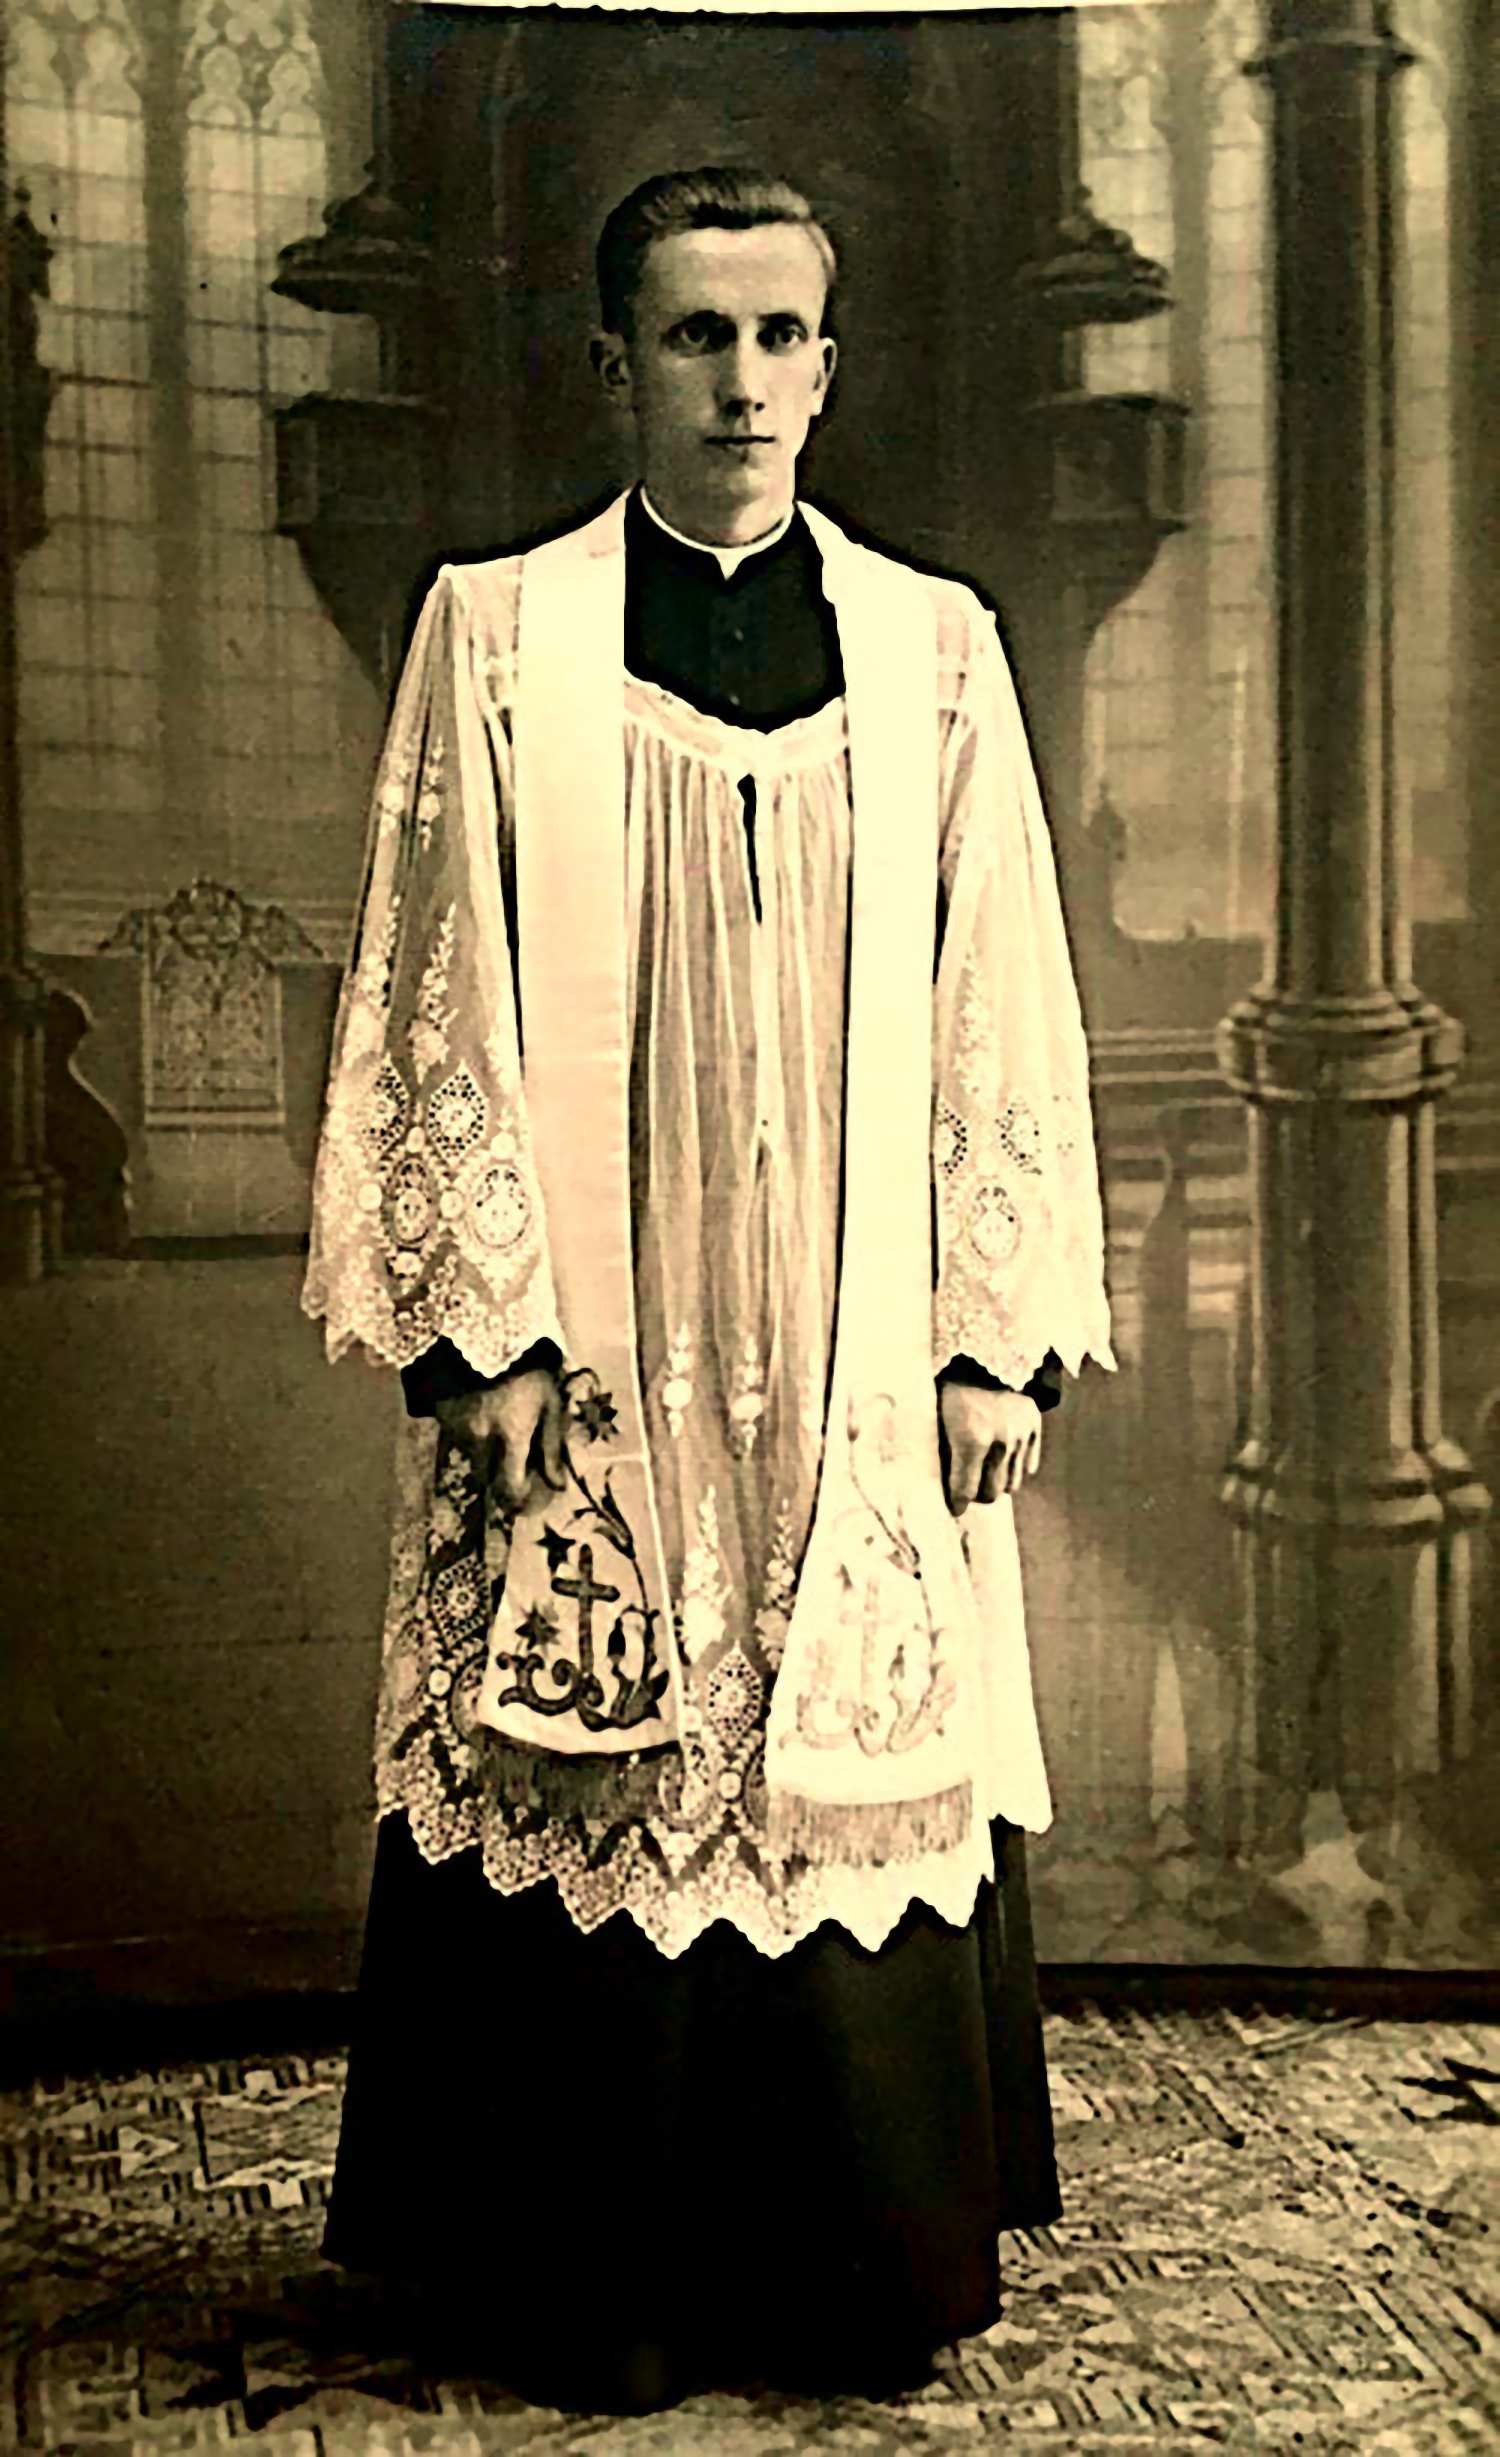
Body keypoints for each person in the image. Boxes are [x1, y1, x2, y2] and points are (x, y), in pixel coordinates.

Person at [303, 165, 1113, 2413]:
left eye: (778, 337)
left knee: (846, 1740)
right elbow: (436, 974)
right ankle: (596, 2278)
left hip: (856, 1326)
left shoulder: (935, 650)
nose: (742, 382)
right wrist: (481, 1328)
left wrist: (990, 1332)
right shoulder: (497, 637)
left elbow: (999, 990)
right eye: (694, 335)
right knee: (592, 1736)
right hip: (600, 1326)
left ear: (829, 367)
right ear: (614, 363)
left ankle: (856, 2259)